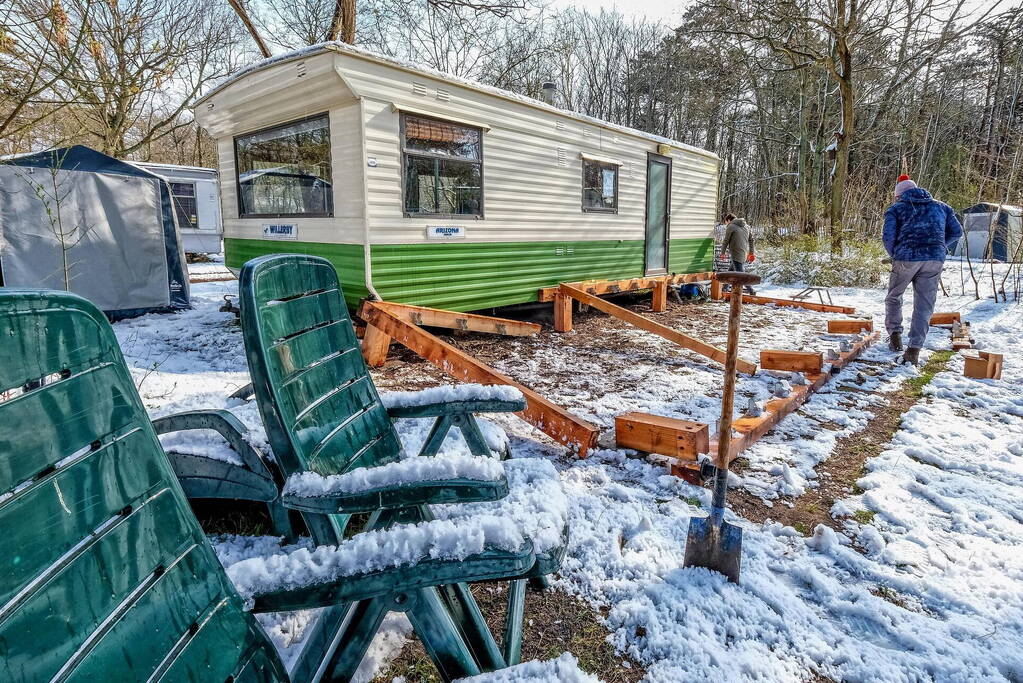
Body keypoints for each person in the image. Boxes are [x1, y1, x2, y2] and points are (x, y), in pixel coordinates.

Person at [882, 174, 963, 365]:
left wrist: (896, 253)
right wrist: (939, 245)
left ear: (899, 195)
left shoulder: (896, 209)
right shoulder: (942, 207)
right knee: (924, 304)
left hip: (906, 258)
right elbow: (957, 231)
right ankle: (914, 350)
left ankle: (894, 336)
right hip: (934, 260)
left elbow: (888, 236)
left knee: (894, 296)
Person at [719, 213, 756, 294]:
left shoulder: (731, 226)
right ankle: (724, 289)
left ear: (728, 220)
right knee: (731, 271)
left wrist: (722, 253)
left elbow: (726, 241)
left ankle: (752, 291)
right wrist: (751, 253)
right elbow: (751, 240)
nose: (726, 225)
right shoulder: (747, 226)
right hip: (743, 253)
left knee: (741, 275)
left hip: (735, 253)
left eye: (726, 223)